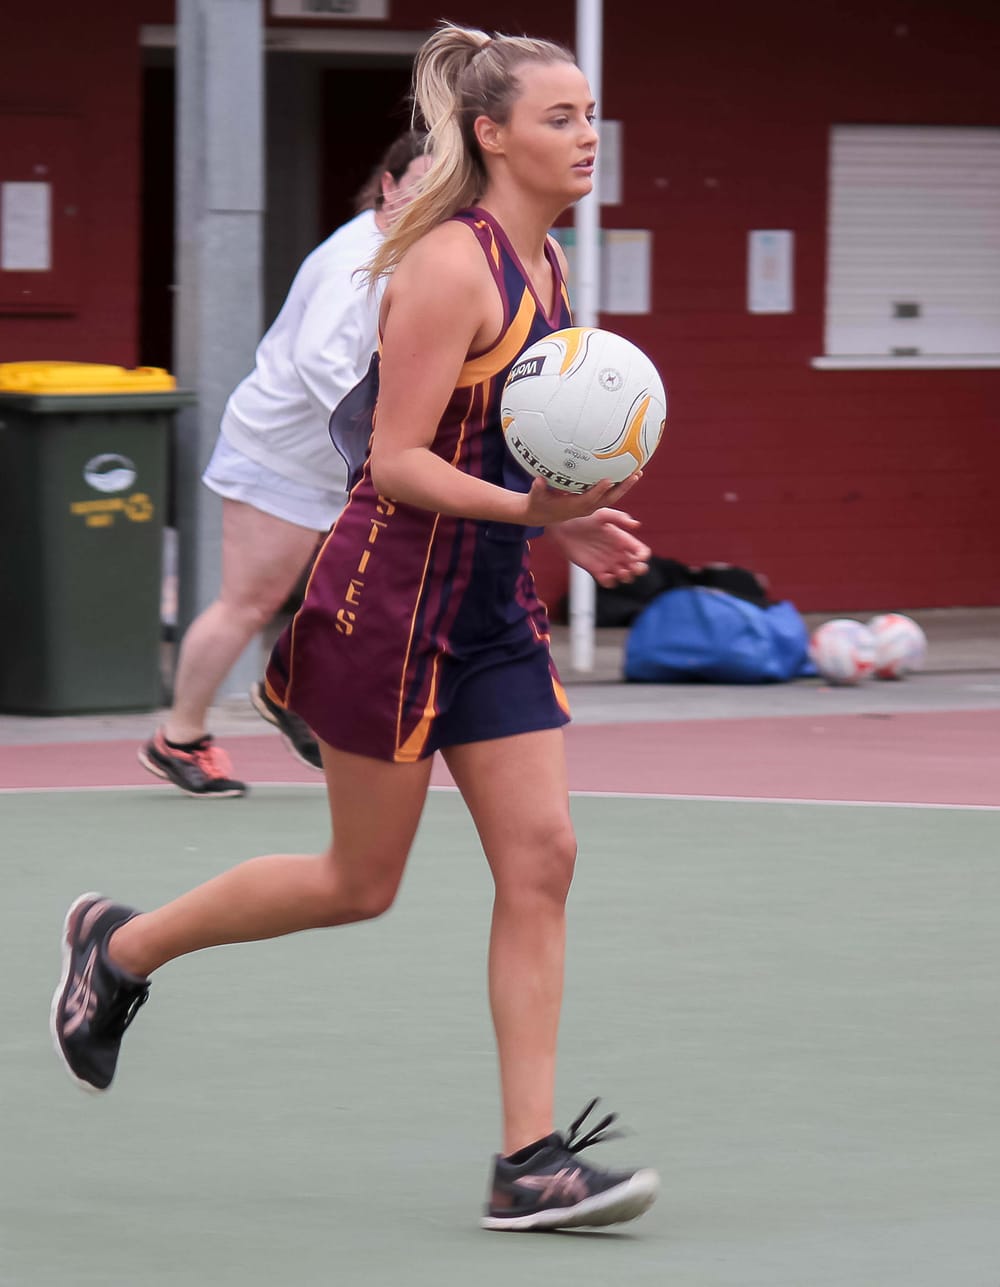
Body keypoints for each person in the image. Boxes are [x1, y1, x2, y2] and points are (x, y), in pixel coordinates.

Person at [51, 23, 660, 1232]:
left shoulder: (547, 267)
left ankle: (528, 1160)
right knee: (357, 883)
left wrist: (567, 520)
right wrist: (533, 515)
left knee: (542, 858)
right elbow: (393, 462)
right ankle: (120, 950)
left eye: (590, 114)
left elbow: (514, 442)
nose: (587, 136)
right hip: (392, 601)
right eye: (559, 118)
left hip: (488, 601)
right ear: (490, 135)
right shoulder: (446, 265)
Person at [140, 130, 431, 798]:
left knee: (364, 589)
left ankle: (289, 692)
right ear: (388, 186)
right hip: (279, 455)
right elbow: (317, 362)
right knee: (247, 604)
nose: (429, 196)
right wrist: (383, 440)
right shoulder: (354, 262)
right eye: (419, 182)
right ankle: (178, 738)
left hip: (340, 458)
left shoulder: (415, 256)